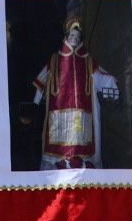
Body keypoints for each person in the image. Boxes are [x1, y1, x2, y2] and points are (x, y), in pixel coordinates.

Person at [32, 14, 119, 169]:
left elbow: (100, 76)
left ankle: (81, 165)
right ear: (66, 36)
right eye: (72, 35)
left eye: (78, 36)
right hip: (58, 110)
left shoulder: (87, 60)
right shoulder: (54, 59)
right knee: (58, 142)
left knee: (81, 140)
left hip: (82, 111)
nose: (74, 38)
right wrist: (36, 100)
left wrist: (112, 83)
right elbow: (42, 78)